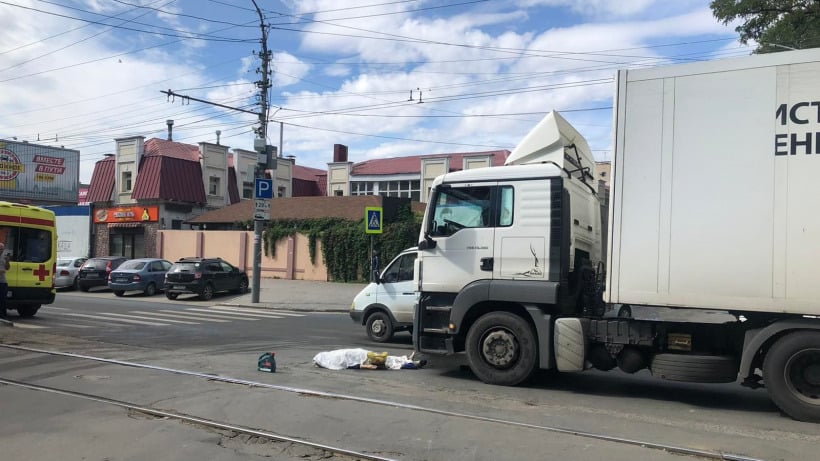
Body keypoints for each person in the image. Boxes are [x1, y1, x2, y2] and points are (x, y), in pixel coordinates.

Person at [0, 242, 10, 320]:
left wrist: (7, 261)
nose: (1, 250)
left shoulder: (4, 257)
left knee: (3, 299)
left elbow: (7, 268)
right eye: (0, 249)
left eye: (2, 249)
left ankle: (3, 315)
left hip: (3, 281)